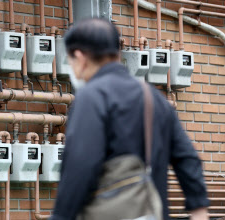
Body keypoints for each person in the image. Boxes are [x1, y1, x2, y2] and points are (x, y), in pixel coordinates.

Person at [50, 18, 209, 220]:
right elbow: (187, 157)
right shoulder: (153, 98)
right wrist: (199, 209)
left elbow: (80, 165)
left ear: (80, 57)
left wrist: (61, 216)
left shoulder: (91, 97)